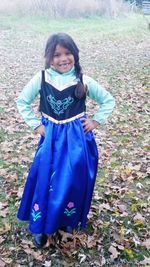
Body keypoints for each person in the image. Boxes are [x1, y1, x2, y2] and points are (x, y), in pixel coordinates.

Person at [16, 33, 115, 248]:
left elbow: (108, 100)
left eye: (68, 53)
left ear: (75, 55)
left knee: (71, 181)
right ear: (49, 58)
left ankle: (67, 220)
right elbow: (22, 101)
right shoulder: (42, 77)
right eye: (57, 54)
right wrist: (37, 125)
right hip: (51, 140)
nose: (63, 59)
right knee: (46, 179)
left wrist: (96, 121)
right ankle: (42, 224)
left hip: (76, 143)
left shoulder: (83, 80)